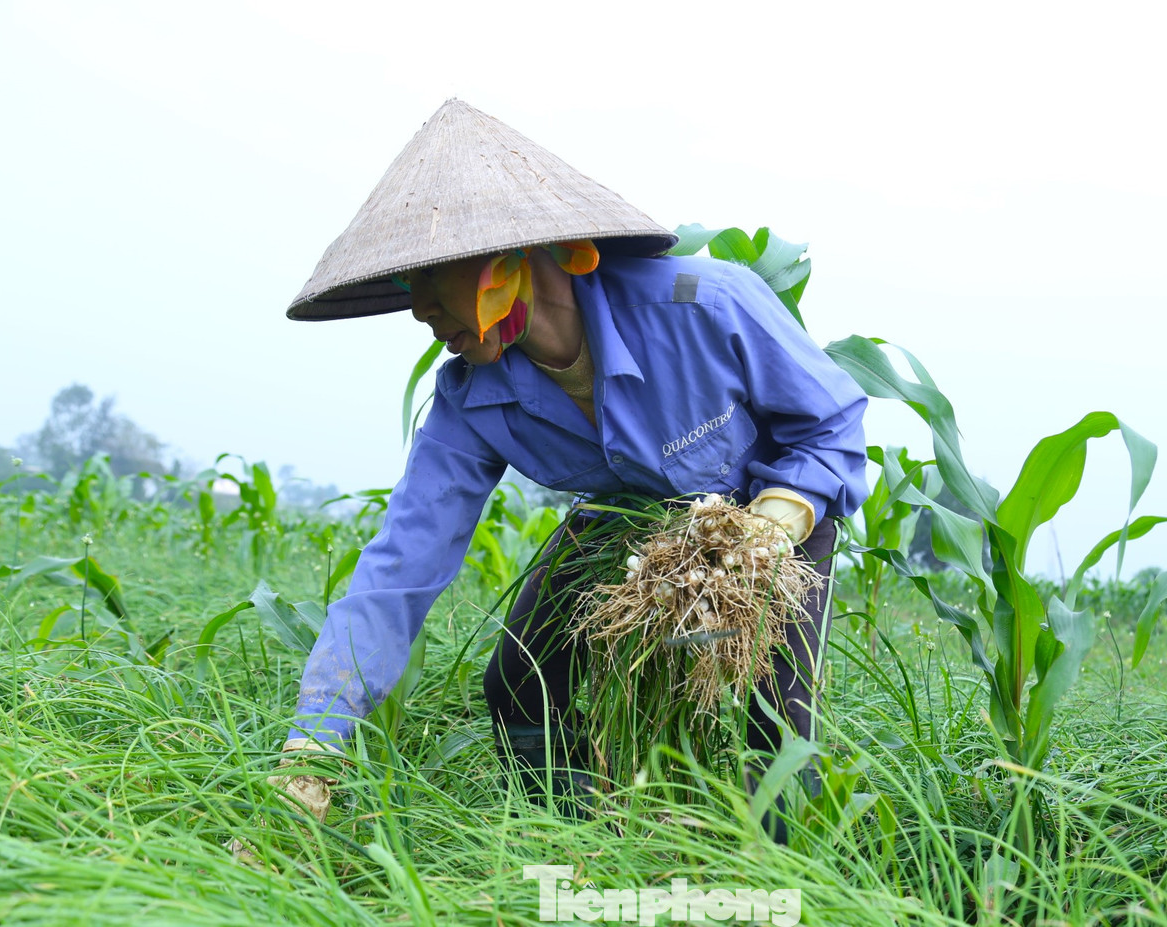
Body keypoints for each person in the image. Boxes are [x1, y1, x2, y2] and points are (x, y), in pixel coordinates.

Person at [277, 100, 869, 836]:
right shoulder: (472, 399)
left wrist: (769, 528)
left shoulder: (706, 305)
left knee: (772, 719)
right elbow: (400, 565)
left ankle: (769, 877)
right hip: (627, 515)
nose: (421, 310)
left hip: (772, 508)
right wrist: (313, 746)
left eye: (433, 279)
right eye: (410, 288)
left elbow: (834, 424)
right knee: (519, 680)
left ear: (510, 260)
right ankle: (570, 842)